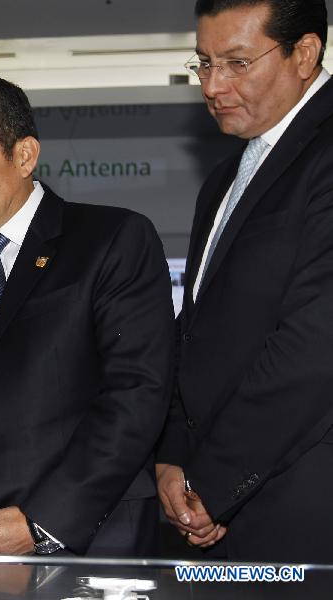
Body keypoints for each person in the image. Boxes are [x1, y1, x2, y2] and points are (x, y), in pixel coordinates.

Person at [0, 75, 173, 557]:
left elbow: (136, 395)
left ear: (24, 156)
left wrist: (42, 523)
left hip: (90, 542)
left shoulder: (111, 240)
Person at [156, 0, 333, 562]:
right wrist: (171, 456)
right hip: (220, 502)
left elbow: (315, 345)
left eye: (236, 62)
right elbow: (200, 331)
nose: (213, 85)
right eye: (204, 63)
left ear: (305, 54)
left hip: (301, 502)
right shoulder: (227, 176)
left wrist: (211, 480)